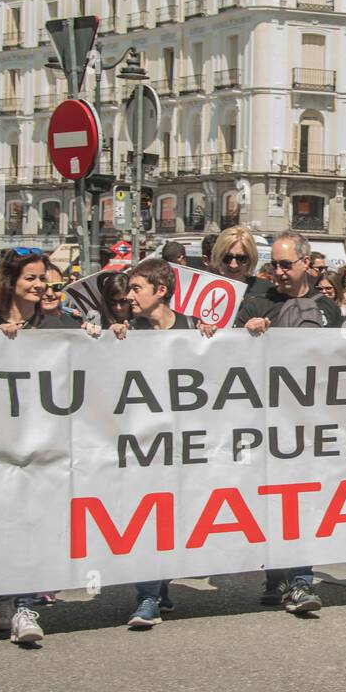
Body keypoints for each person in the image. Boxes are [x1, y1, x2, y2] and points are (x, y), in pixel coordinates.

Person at [0, 248, 85, 645]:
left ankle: (25, 606)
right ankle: (6, 596)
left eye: (44, 279)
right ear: (11, 283)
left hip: (45, 446)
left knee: (35, 525)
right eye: (31, 279)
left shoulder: (59, 327)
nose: (40, 286)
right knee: (3, 525)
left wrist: (107, 339)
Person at [227, 231, 343, 614]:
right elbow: (225, 359)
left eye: (285, 264)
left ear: (306, 263)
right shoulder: (255, 303)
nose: (277, 271)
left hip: (309, 424)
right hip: (264, 424)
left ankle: (300, 581)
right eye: (273, 264)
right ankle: (276, 576)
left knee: (302, 499)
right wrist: (245, 336)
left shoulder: (327, 307)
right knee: (272, 502)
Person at [109, 258, 199, 628]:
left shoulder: (196, 329)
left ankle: (160, 587)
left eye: (135, 288)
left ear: (160, 292)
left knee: (177, 518)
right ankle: (147, 596)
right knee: (149, 514)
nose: (128, 296)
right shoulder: (128, 333)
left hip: (189, 444)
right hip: (145, 445)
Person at [209, 225, 273, 299]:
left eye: (241, 258)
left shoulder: (266, 290)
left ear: (250, 258)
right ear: (219, 256)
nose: (233, 265)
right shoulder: (204, 288)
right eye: (227, 258)